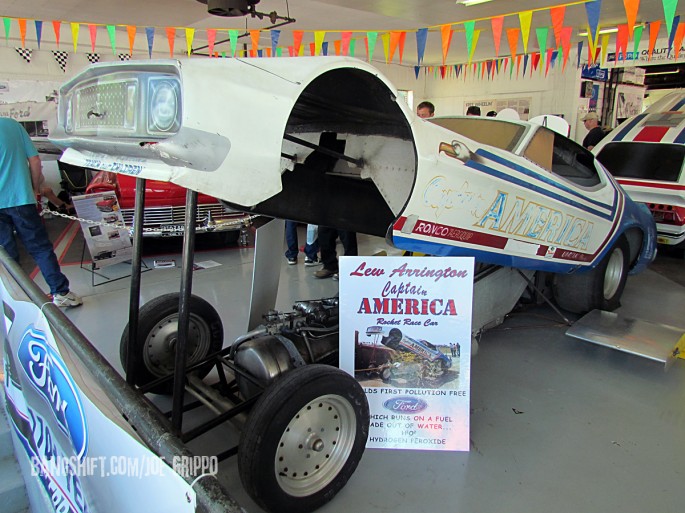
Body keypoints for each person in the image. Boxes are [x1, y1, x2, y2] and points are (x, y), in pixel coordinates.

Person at [0, 118, 82, 307]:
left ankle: (17, 299)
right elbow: (35, 161)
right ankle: (60, 292)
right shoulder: (12, 126)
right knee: (39, 248)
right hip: (20, 197)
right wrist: (34, 188)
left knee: (6, 254)